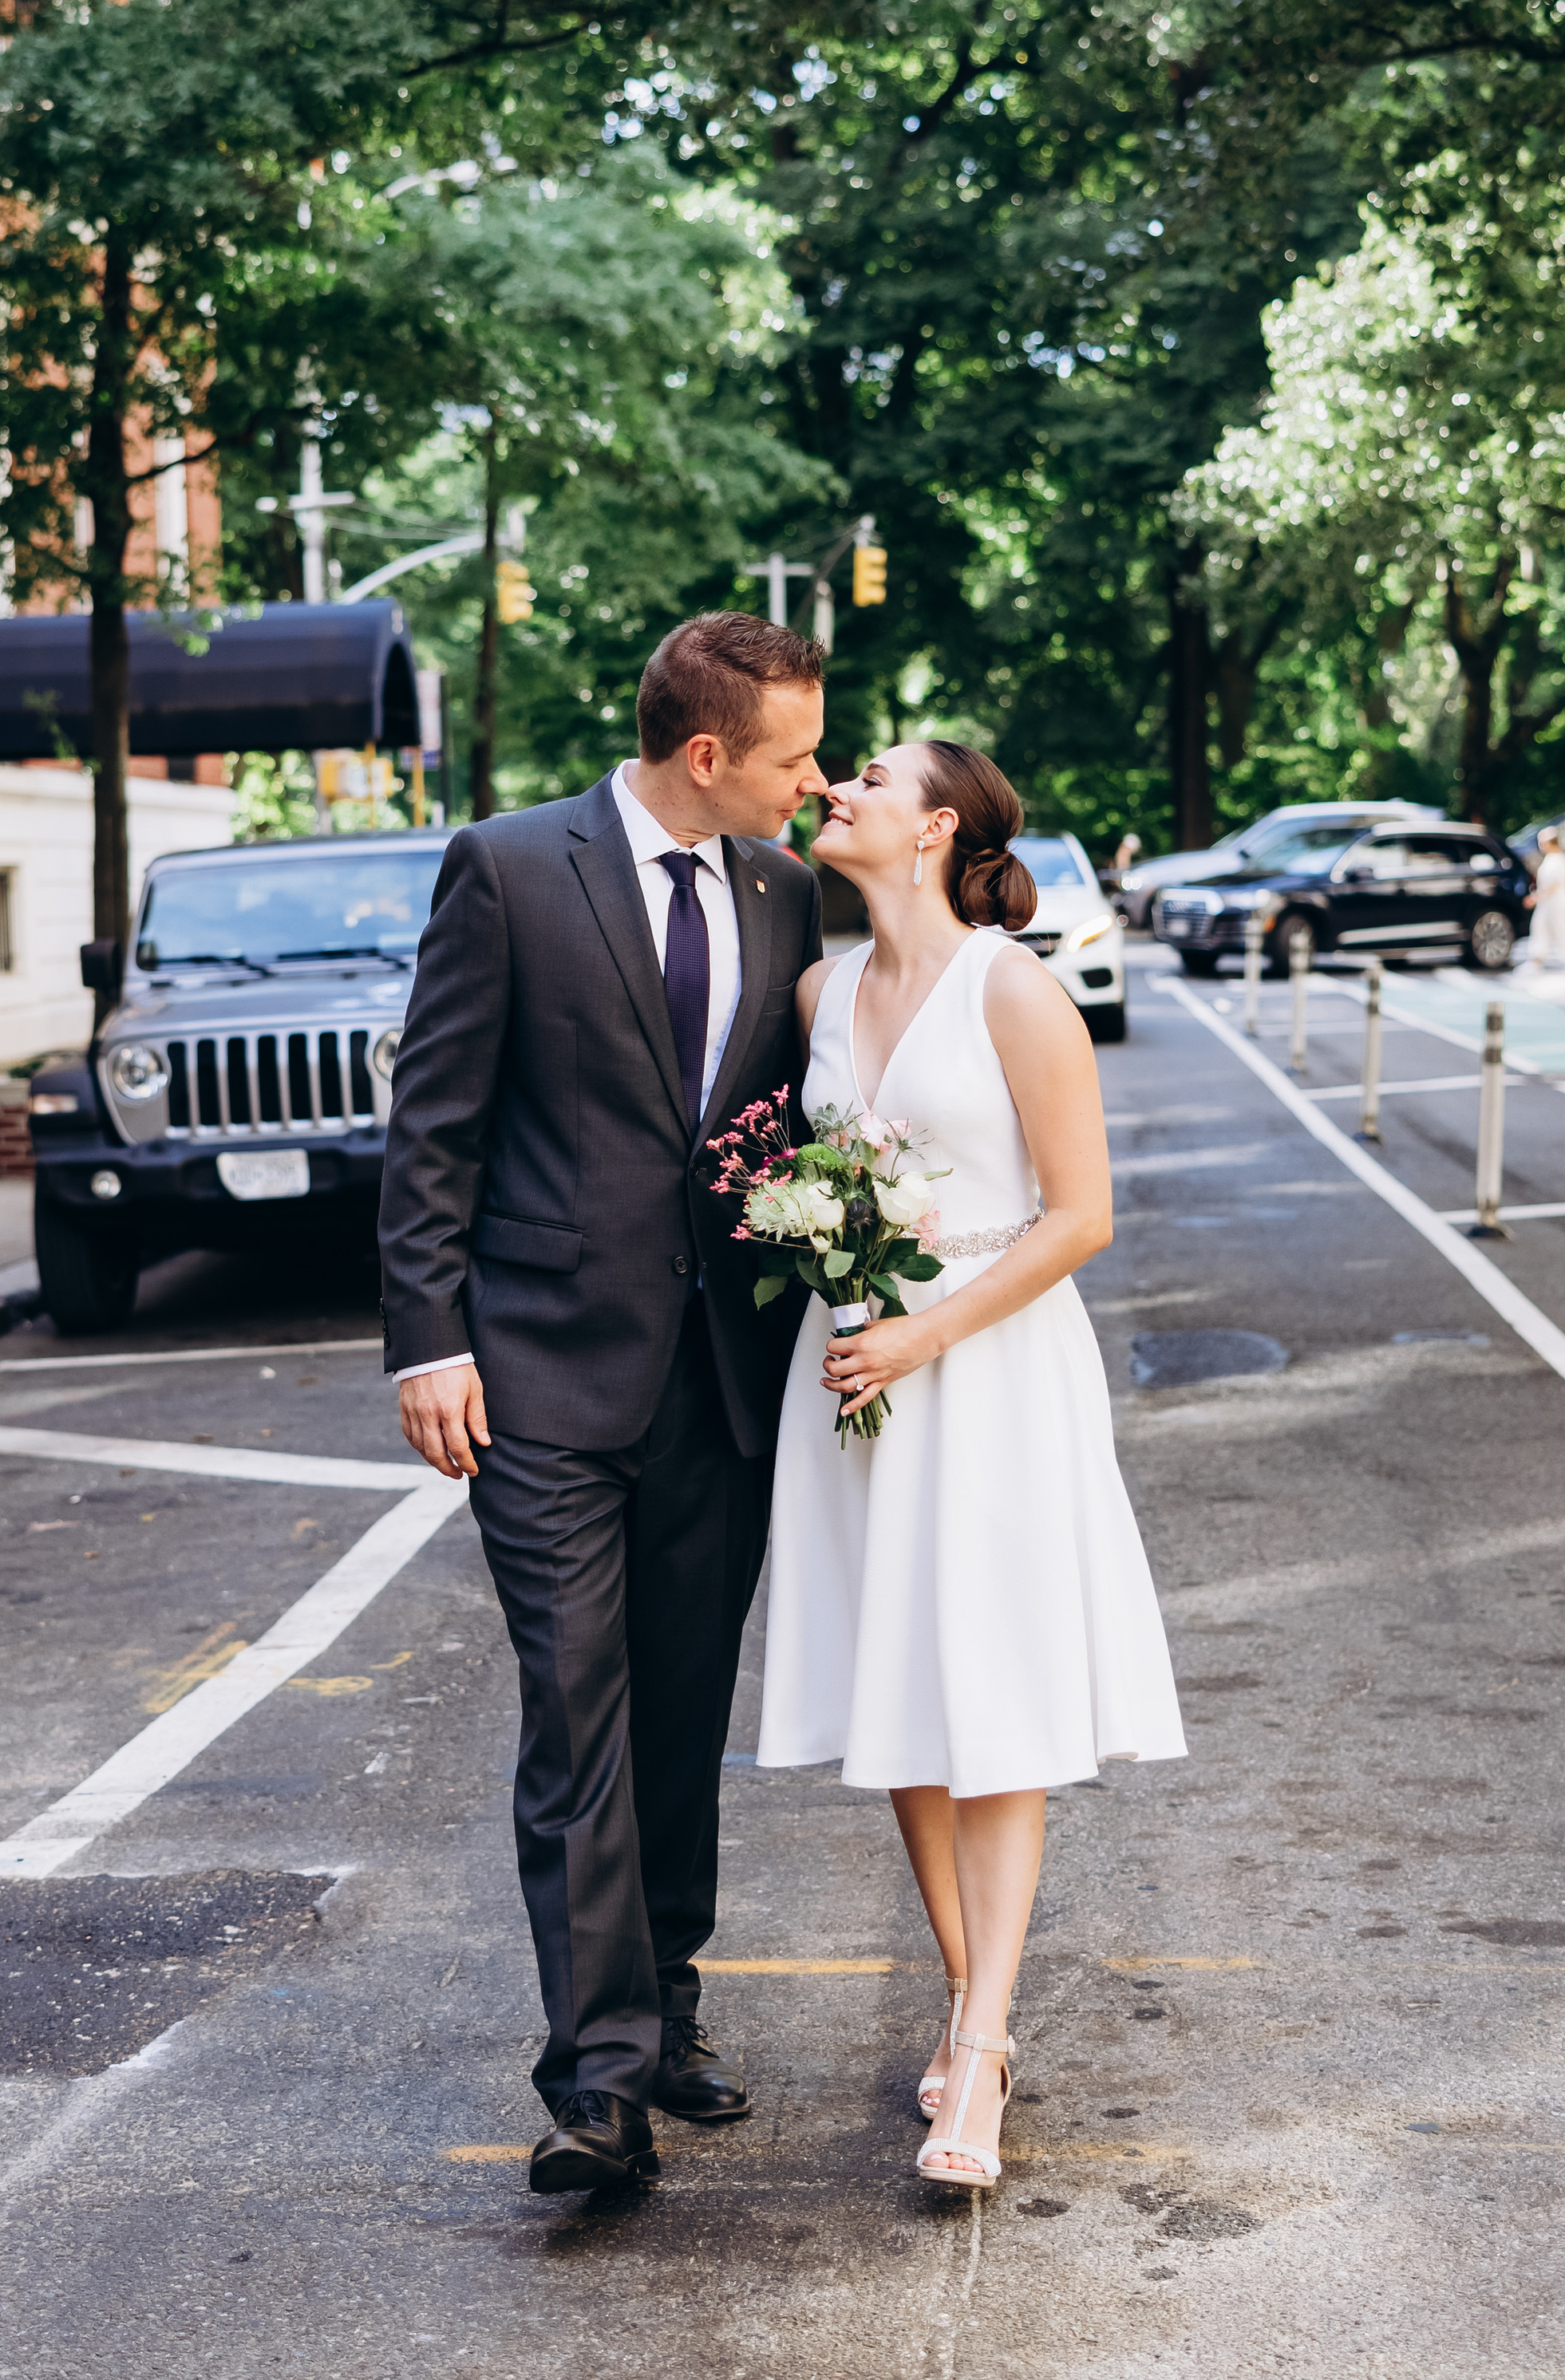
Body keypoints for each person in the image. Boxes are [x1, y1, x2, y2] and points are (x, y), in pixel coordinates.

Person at [381, 614, 828, 2194]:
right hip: (541, 1377)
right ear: (706, 752)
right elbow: (434, 1120)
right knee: (577, 1711)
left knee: (682, 1708)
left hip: (722, 1382)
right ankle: (595, 2084)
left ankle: (668, 2009)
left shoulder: (783, 889)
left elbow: (793, 1114)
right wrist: (426, 1339)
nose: (813, 779)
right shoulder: (508, 869)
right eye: (793, 756)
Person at [756, 740, 1186, 2193]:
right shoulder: (817, 993)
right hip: (853, 1373)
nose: (839, 786)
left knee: (992, 1696)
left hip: (987, 1369)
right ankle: (964, 1994)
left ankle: (985, 2044)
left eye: (871, 775)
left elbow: (1081, 1216)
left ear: (937, 825)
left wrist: (926, 1332)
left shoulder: (1014, 988)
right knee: (903, 1695)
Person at [1526, 825, 1565, 971]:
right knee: (1539, 927)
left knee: (1562, 929)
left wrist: (1536, 897)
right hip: (1545, 902)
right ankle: (1536, 960)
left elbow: (1555, 884)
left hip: (1557, 902)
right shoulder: (1549, 858)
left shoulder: (1560, 859)